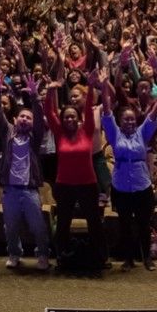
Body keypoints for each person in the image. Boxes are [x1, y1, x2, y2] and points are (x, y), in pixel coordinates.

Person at [101, 55, 157, 271]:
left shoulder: (142, 133)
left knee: (143, 224)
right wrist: (104, 86)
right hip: (121, 186)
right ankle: (129, 259)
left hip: (141, 185)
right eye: (126, 120)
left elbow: (155, 111)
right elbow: (107, 111)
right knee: (125, 225)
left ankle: (146, 258)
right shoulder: (114, 134)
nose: (129, 122)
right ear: (121, 122)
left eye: (132, 119)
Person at [45, 67, 106, 273]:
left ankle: (99, 258)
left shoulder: (87, 130)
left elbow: (88, 108)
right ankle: (62, 258)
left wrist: (90, 85)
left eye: (73, 117)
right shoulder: (59, 133)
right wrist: (51, 90)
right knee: (62, 225)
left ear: (78, 119)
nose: (70, 119)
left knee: (94, 224)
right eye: (66, 117)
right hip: (64, 186)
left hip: (88, 184)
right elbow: (49, 113)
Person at [0, 72, 50, 271]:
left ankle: (42, 254)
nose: (25, 119)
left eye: (29, 118)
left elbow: (41, 123)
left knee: (38, 227)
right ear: (15, 119)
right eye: (22, 117)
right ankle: (14, 253)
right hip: (10, 189)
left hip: (29, 189)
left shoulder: (34, 139)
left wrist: (34, 97)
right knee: (11, 226)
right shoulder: (8, 133)